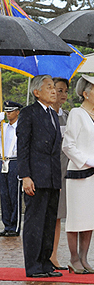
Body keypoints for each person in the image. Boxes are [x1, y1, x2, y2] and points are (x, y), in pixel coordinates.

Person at [62, 75, 94, 274]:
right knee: (76, 218)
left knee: (90, 217)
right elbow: (68, 145)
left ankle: (84, 258)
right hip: (79, 173)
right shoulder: (76, 113)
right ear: (85, 93)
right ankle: (74, 259)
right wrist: (87, 160)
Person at [17, 75, 63, 278]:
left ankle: (46, 262)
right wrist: (25, 176)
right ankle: (33, 266)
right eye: (49, 87)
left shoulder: (53, 115)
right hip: (35, 177)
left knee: (49, 221)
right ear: (37, 92)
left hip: (52, 178)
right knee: (35, 222)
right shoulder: (28, 113)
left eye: (54, 87)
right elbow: (23, 147)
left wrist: (57, 179)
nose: (54, 91)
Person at [49, 77, 70, 270]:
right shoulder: (42, 114)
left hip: (63, 171)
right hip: (44, 171)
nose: (61, 94)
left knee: (57, 216)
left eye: (64, 91)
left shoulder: (68, 117)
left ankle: (54, 255)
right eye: (58, 90)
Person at [0, 101, 23, 237]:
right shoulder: (3, 127)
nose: (8, 114)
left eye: (11, 111)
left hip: (15, 161)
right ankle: (7, 225)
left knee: (14, 195)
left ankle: (15, 226)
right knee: (4, 195)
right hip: (3, 161)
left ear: (17, 112)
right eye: (6, 111)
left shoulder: (21, 127)